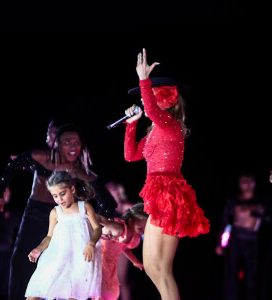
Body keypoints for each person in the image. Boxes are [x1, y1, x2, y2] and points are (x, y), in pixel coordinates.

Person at [0, 123, 117, 300]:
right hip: (35, 215)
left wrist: (99, 225)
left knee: (62, 270)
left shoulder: (81, 172)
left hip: (66, 224)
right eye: (67, 142)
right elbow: (15, 164)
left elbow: (108, 202)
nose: (73, 146)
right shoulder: (43, 158)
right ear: (57, 144)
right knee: (22, 263)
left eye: (77, 142)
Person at [123, 48, 210, 300]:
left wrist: (143, 79)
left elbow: (150, 109)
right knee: (151, 267)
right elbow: (130, 156)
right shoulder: (155, 131)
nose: (143, 100)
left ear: (160, 97)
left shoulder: (169, 125)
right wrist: (131, 125)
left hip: (169, 195)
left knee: (162, 269)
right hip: (157, 197)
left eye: (148, 95)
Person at [25, 170, 102, 300]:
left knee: (73, 294)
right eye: (55, 196)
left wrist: (91, 243)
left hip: (79, 259)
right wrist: (39, 248)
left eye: (62, 194)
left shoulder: (85, 207)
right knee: (36, 291)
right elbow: (49, 236)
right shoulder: (56, 212)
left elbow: (97, 228)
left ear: (72, 189)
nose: (59, 199)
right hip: (57, 257)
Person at [215, 172, 271, 300]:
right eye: (241, 181)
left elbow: (267, 216)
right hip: (235, 239)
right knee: (231, 273)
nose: (243, 184)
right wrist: (220, 243)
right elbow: (225, 222)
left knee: (252, 275)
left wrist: (254, 211)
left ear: (253, 183)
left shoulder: (263, 200)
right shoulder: (233, 201)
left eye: (247, 181)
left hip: (253, 241)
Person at [93, 202, 148, 300]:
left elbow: (124, 247)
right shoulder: (118, 228)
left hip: (110, 266)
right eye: (140, 228)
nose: (142, 232)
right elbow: (99, 218)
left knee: (111, 293)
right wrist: (95, 232)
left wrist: (135, 261)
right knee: (102, 292)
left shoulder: (131, 235)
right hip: (99, 261)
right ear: (130, 221)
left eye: (145, 230)